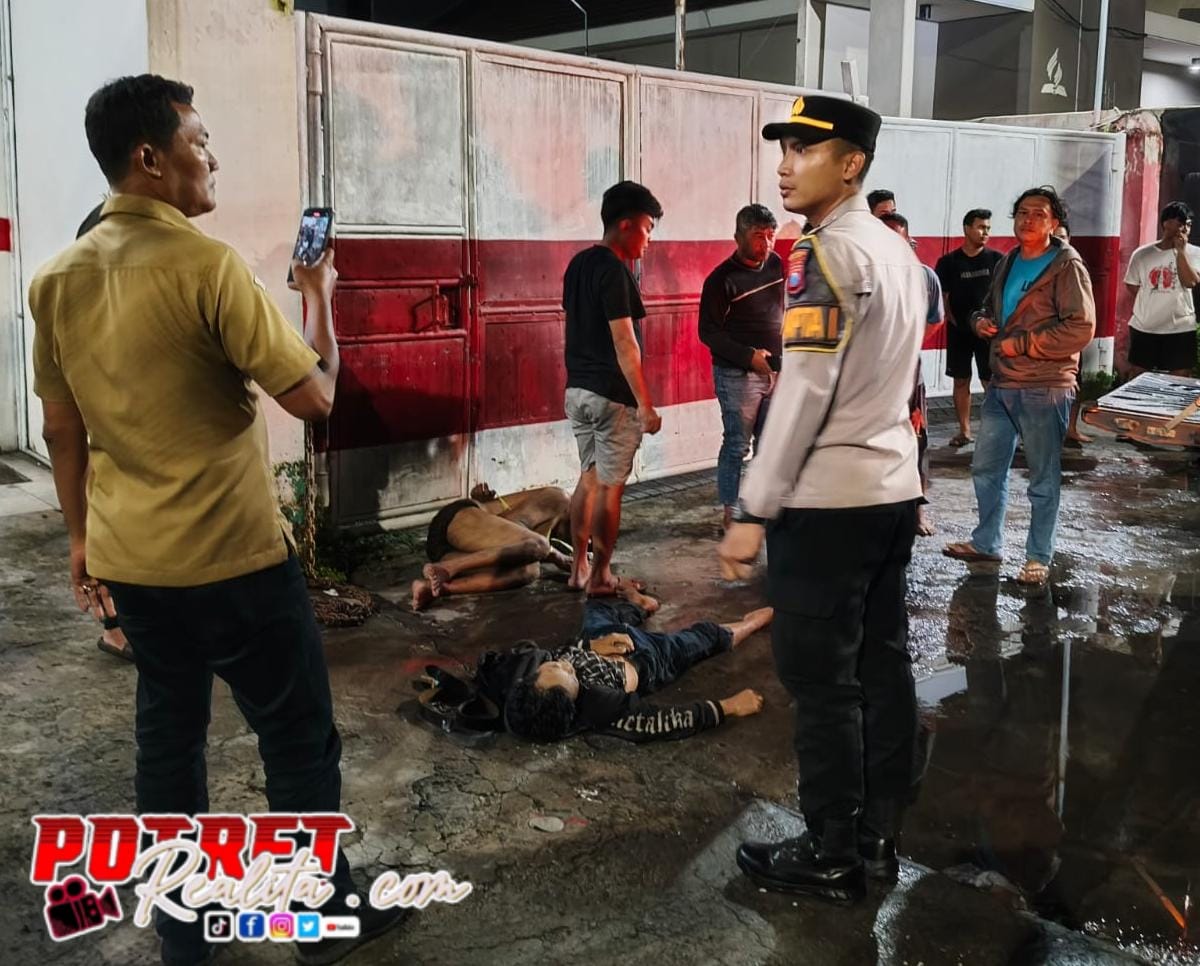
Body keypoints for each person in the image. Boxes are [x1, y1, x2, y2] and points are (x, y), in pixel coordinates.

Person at [28, 75, 402, 965]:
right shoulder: (209, 267)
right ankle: (319, 918)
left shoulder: (55, 281)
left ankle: (184, 931)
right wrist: (319, 296)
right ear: (150, 158)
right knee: (295, 737)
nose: (213, 158)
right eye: (199, 141)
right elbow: (314, 397)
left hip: (134, 564)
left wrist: (81, 541)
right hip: (235, 563)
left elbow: (61, 431)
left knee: (168, 741)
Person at [718, 95, 928, 905]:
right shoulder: (896, 251)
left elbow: (804, 391)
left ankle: (832, 850)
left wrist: (754, 507)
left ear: (851, 164)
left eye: (804, 150)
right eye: (783, 149)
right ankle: (878, 837)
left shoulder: (827, 253)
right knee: (883, 668)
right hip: (889, 493)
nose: (784, 165)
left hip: (828, 504)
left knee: (822, 684)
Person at [943, 186, 1096, 587]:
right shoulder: (1008, 261)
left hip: (1045, 385)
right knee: (986, 467)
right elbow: (988, 307)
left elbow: (1081, 328)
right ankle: (987, 543)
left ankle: (1037, 557)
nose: (1028, 220)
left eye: (1039, 214)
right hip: (1003, 381)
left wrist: (1026, 343)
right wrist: (979, 321)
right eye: (1023, 212)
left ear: (1054, 223)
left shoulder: (1066, 266)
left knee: (1042, 477)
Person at [563, 181, 664, 597]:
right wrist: (645, 404)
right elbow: (625, 342)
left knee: (588, 479)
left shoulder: (578, 265)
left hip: (577, 391)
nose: (649, 239)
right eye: (647, 228)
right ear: (625, 225)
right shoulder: (614, 271)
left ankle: (579, 569)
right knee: (609, 486)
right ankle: (602, 575)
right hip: (610, 397)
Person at [500, 591, 771, 742]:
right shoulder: (600, 707)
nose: (565, 665)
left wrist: (591, 646)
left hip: (602, 639)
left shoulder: (533, 684)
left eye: (554, 667)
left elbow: (560, 654)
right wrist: (728, 707)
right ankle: (751, 623)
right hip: (649, 658)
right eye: (569, 674)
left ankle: (642, 606)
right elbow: (663, 722)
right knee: (706, 637)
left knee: (596, 609)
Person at [697, 204, 784, 530]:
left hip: (775, 371)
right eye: (759, 236)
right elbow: (708, 332)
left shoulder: (776, 265)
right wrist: (749, 357)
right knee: (736, 445)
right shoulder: (720, 280)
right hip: (737, 375)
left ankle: (760, 504)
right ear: (738, 237)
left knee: (770, 442)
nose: (766, 244)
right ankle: (730, 512)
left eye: (771, 235)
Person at [411, 482, 575, 610]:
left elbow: (518, 549)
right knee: (540, 545)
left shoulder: (552, 524)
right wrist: (555, 555)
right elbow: (510, 530)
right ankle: (448, 568)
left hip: (447, 551)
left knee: (529, 570)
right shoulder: (558, 498)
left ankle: (435, 588)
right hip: (457, 522)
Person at [880, 212, 945, 536]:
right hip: (869, 378)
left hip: (908, 378)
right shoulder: (863, 275)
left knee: (916, 441)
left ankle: (918, 510)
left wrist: (909, 345)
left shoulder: (925, 277)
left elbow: (936, 318)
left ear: (909, 242)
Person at [936, 209, 1004, 447]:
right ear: (967, 228)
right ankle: (964, 431)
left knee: (991, 382)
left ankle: (997, 431)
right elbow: (943, 298)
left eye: (988, 228)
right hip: (959, 333)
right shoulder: (948, 263)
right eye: (981, 227)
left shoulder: (997, 260)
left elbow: (1003, 295)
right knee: (961, 380)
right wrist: (954, 321)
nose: (985, 232)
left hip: (989, 333)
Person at [1124, 201, 1200, 378]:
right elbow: (1131, 284)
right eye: (1180, 222)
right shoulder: (1142, 254)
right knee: (1138, 375)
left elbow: (1190, 282)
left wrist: (1181, 252)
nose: (1185, 228)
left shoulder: (1194, 253)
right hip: (1145, 326)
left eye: (1188, 224)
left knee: (1180, 377)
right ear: (1166, 223)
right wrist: (1152, 300)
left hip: (1180, 328)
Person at [1055, 221, 1092, 448]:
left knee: (1075, 384)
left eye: (1062, 237)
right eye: (1054, 237)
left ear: (1069, 239)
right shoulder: (1032, 265)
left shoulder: (1076, 265)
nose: (1058, 242)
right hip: (1044, 338)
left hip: (1071, 337)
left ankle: (1071, 429)